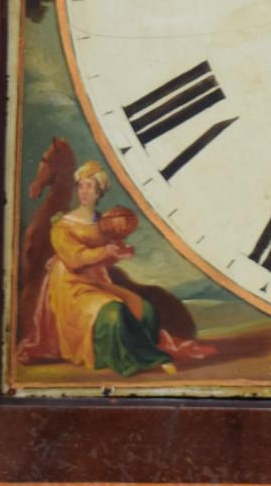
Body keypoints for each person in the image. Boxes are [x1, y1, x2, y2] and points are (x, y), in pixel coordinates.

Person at [16, 142, 212, 375]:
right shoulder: (63, 224)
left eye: (90, 187)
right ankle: (141, 359)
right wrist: (105, 252)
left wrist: (117, 254)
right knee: (113, 312)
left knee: (144, 309)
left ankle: (145, 350)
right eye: (81, 186)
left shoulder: (104, 222)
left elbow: (104, 256)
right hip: (69, 287)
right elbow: (74, 259)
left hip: (98, 281)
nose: (84, 192)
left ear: (99, 192)